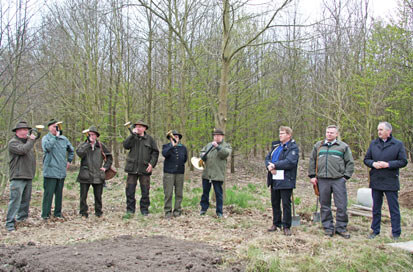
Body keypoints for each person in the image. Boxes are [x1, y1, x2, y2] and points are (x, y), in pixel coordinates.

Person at [363, 122, 408, 240]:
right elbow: (366, 159)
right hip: (376, 179)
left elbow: (403, 161)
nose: (379, 132)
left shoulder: (397, 144)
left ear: (389, 131)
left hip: (390, 180)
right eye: (378, 130)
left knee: (394, 208)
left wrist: (388, 164)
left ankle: (396, 233)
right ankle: (375, 231)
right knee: (376, 208)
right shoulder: (374, 144)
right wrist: (373, 164)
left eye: (381, 129)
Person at [308, 125, 354, 238]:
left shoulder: (343, 147)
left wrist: (345, 177)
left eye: (332, 132)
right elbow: (312, 160)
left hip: (338, 180)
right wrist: (312, 175)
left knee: (341, 205)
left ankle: (341, 228)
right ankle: (328, 228)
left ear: (336, 134)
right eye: (327, 132)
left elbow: (350, 163)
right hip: (322, 180)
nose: (329, 134)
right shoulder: (318, 146)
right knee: (324, 205)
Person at [265, 126, 299, 236]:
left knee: (285, 203)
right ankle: (276, 223)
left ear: (289, 135)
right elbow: (268, 158)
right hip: (274, 178)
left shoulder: (293, 148)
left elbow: (290, 162)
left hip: (286, 179)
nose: (280, 135)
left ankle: (286, 226)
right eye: (279, 133)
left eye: (283, 133)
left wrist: (275, 165)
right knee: (275, 202)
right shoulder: (276, 147)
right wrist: (269, 166)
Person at [5, 121, 39, 231]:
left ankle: (22, 220)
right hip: (17, 176)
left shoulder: (28, 143)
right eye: (23, 130)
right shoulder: (13, 143)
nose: (26, 132)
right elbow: (23, 150)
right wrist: (31, 140)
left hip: (28, 175)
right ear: (17, 131)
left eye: (27, 130)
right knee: (15, 201)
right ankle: (10, 223)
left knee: (25, 200)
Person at [123, 121, 159, 216]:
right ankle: (130, 211)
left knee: (145, 191)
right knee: (130, 191)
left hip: (144, 169)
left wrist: (151, 164)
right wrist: (132, 136)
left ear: (144, 128)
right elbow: (126, 146)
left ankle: (144, 211)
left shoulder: (150, 140)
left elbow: (155, 153)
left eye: (140, 127)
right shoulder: (132, 138)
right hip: (132, 169)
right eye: (136, 127)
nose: (138, 128)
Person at [76, 126, 113, 218]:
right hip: (85, 174)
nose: (91, 136)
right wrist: (88, 144)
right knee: (83, 196)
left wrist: (105, 167)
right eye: (90, 135)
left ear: (96, 136)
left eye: (93, 134)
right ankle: (83, 212)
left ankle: (98, 212)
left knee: (98, 196)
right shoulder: (83, 145)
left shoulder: (101, 146)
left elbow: (109, 157)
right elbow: (79, 153)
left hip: (98, 174)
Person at [41, 119, 74, 219]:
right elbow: (47, 148)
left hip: (61, 171)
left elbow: (71, 150)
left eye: (57, 126)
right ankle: (45, 215)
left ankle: (57, 214)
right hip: (50, 171)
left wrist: (69, 161)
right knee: (48, 195)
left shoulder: (64, 139)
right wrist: (55, 137)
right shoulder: (46, 138)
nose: (55, 128)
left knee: (59, 195)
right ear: (49, 128)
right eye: (53, 126)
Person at [199, 128, 232, 218]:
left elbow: (225, 154)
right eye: (215, 135)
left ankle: (219, 211)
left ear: (222, 137)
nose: (216, 137)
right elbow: (202, 152)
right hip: (207, 173)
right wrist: (202, 155)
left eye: (218, 136)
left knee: (218, 194)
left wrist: (218, 147)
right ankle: (203, 209)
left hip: (218, 174)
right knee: (205, 192)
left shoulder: (226, 146)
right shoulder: (209, 145)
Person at [162, 130, 188, 218]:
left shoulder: (183, 148)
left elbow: (185, 159)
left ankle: (177, 211)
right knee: (168, 193)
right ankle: (168, 212)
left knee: (179, 193)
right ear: (170, 138)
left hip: (180, 173)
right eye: (173, 136)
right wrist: (172, 146)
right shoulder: (166, 146)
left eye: (177, 136)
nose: (175, 138)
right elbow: (164, 154)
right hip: (168, 173)